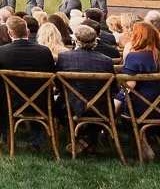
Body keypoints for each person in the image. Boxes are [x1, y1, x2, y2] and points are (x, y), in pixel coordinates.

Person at [0, 15, 55, 150]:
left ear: (9, 33)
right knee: (37, 92)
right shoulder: (44, 51)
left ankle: (8, 137)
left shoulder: (1, 52)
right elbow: (52, 74)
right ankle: (36, 141)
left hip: (10, 101)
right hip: (41, 101)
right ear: (27, 32)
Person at [58, 24, 116, 155]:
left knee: (58, 105)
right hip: (101, 107)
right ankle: (88, 140)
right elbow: (112, 88)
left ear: (76, 40)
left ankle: (83, 139)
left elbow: (60, 86)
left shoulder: (64, 58)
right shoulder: (106, 61)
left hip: (73, 106)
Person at [116, 21, 160, 159]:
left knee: (126, 109)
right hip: (157, 104)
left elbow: (129, 86)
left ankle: (144, 145)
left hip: (141, 106)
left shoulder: (134, 57)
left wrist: (118, 100)